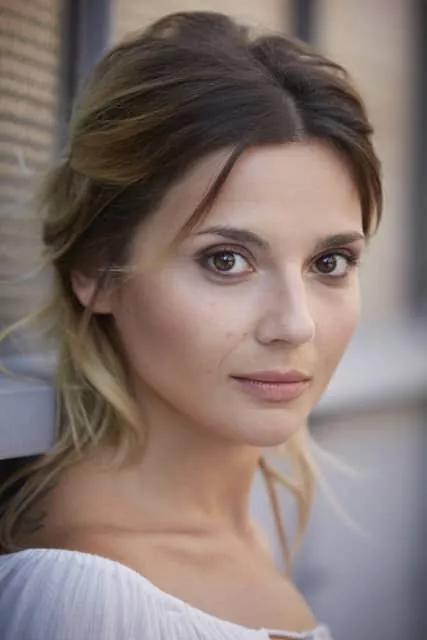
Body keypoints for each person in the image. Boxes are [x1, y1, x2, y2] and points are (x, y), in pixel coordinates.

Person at [0, 11, 382, 640]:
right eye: (226, 260)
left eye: (330, 262)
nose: (295, 325)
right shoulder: (81, 599)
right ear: (97, 270)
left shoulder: (244, 532)